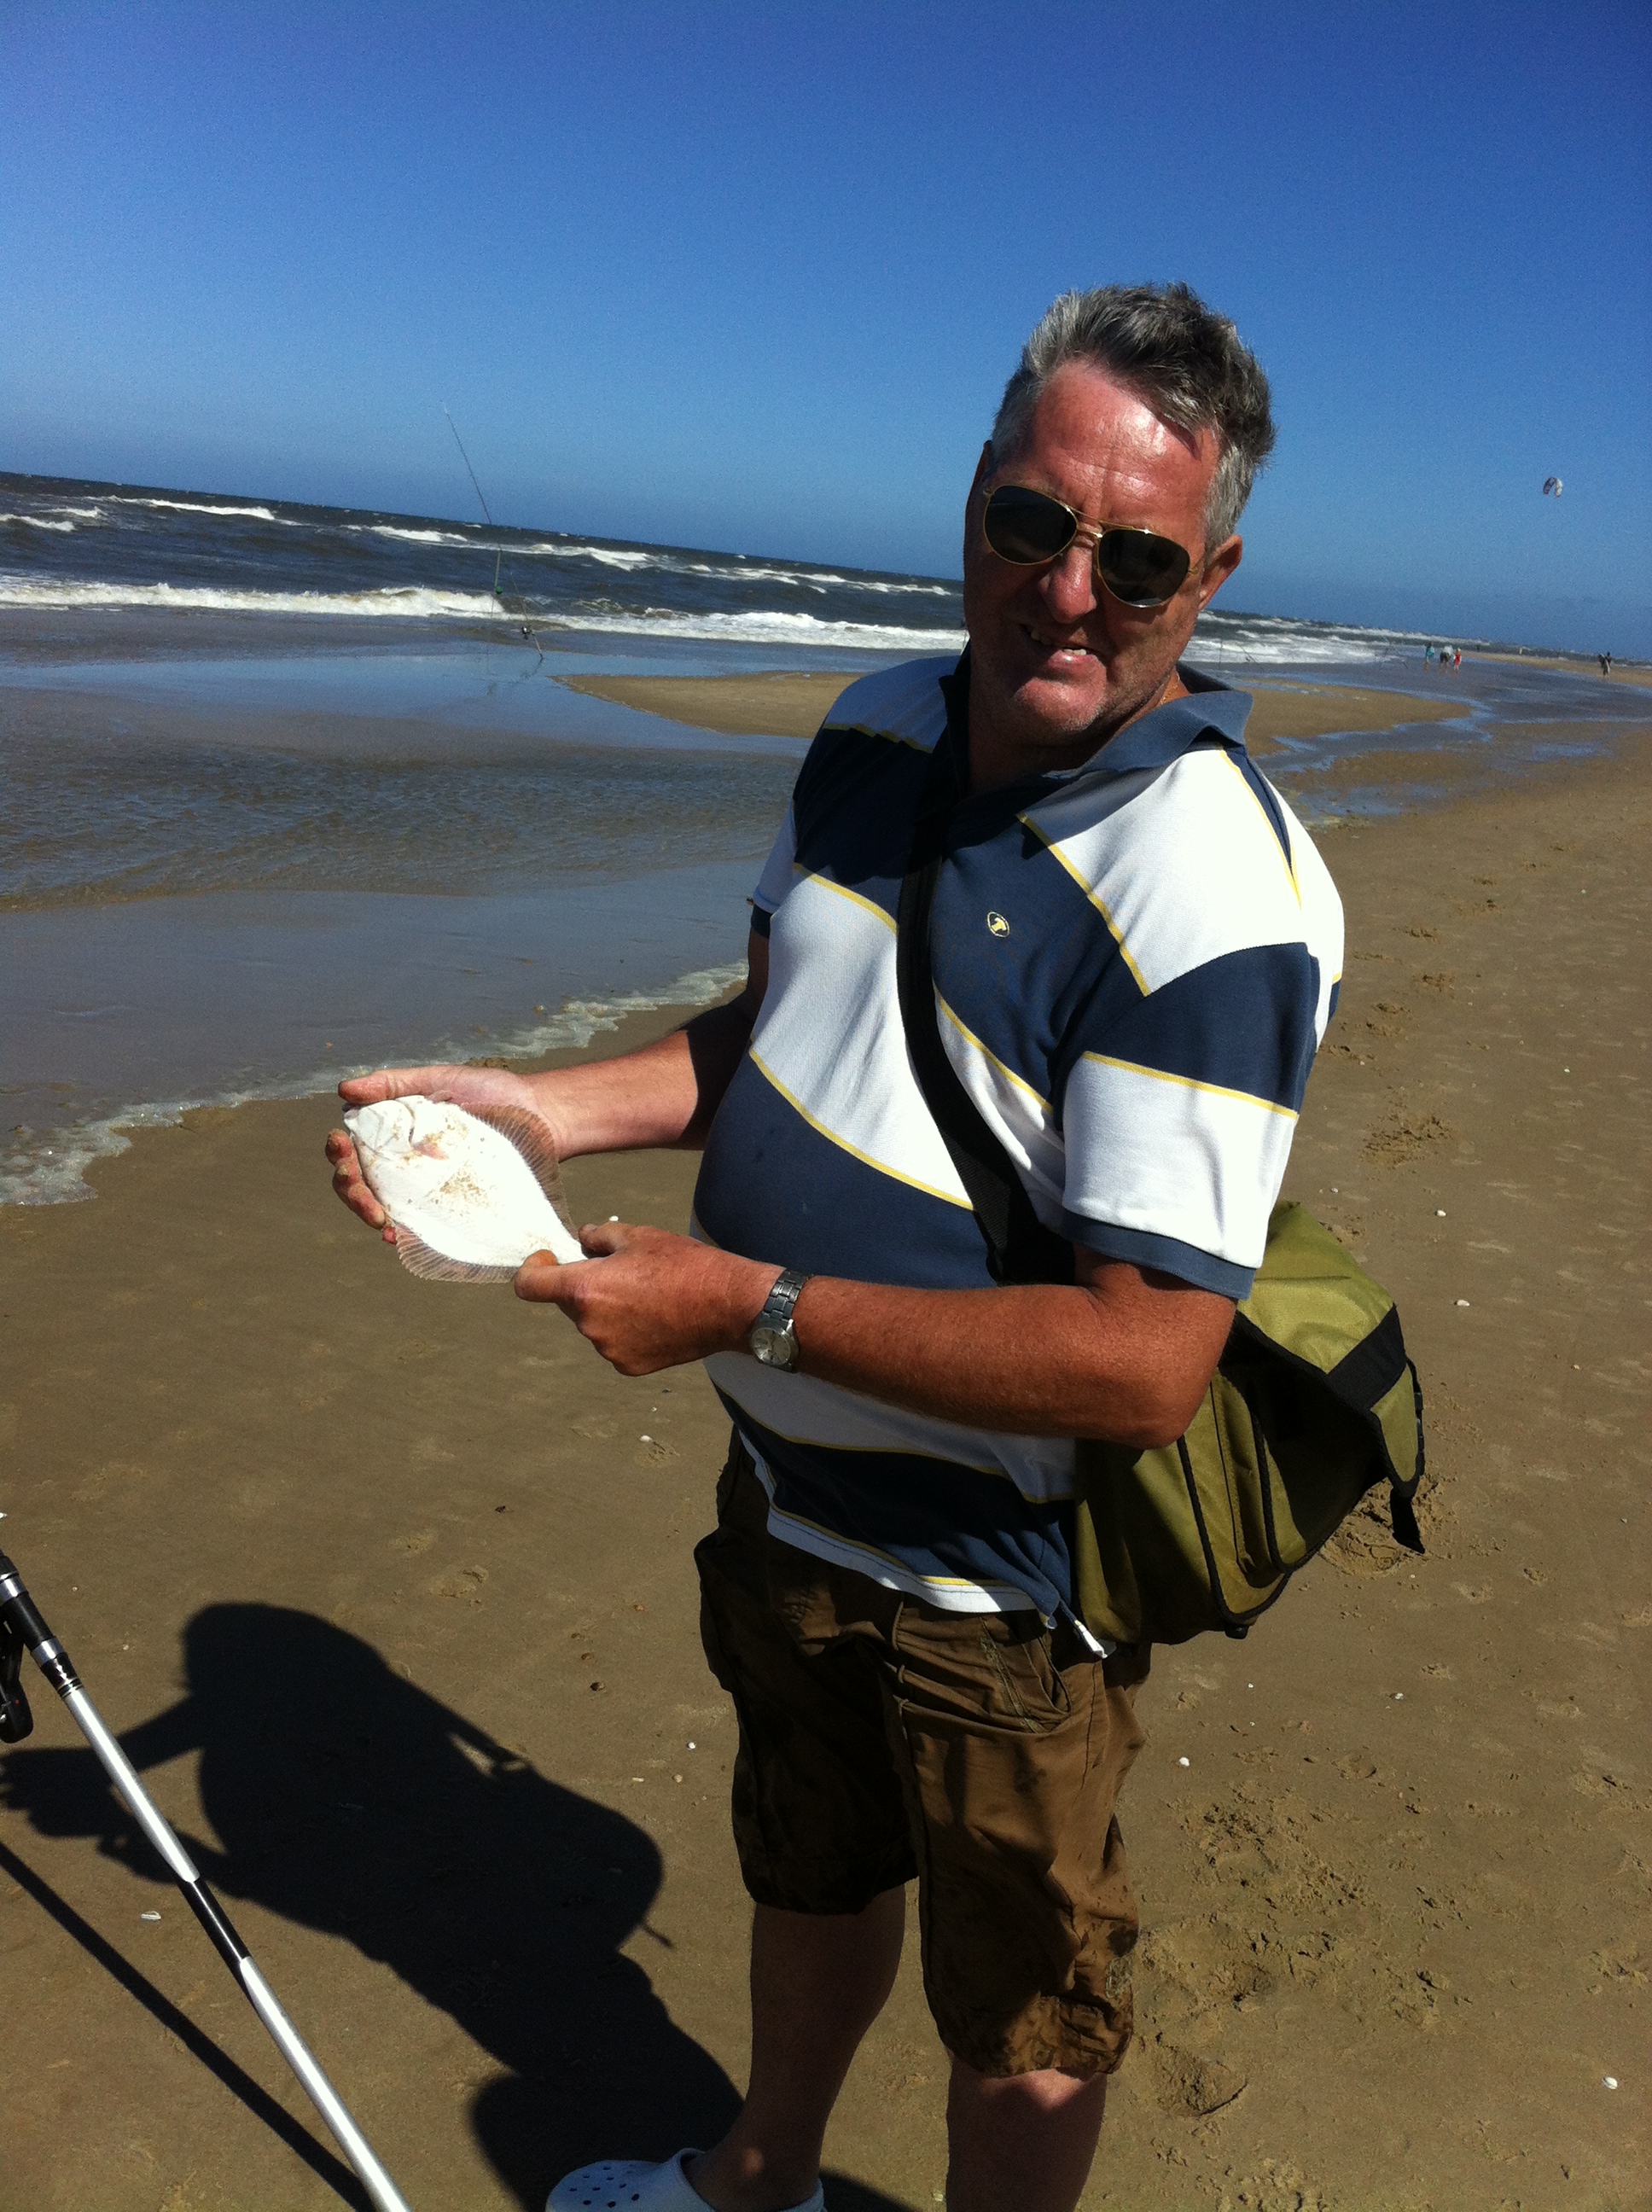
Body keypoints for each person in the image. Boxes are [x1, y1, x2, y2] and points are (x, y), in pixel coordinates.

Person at [328, 282, 1344, 2212]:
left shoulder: (1218, 891)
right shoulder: (872, 726)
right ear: (973, 499)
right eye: (1032, 523)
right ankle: (757, 2181)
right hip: (789, 1504)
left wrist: (747, 1308)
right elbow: (772, 1037)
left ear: (1206, 581)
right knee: (805, 1872)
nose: (1068, 591)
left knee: (1022, 2014)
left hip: (998, 1592)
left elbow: (1147, 1362)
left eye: (1136, 558)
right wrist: (537, 1111)